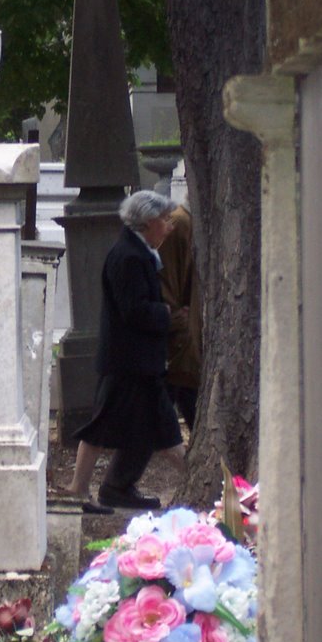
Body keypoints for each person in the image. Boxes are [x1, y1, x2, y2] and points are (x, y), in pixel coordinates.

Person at [63, 190, 186, 512]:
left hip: (137, 362)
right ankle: (78, 489)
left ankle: (116, 487)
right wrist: (168, 315)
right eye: (164, 220)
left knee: (155, 428)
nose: (168, 228)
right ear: (147, 222)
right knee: (107, 425)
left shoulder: (138, 252)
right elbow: (133, 310)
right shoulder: (130, 257)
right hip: (128, 362)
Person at [158, 196, 202, 429]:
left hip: (189, 330)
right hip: (181, 334)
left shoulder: (186, 222)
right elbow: (166, 278)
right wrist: (176, 320)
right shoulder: (179, 224)